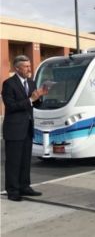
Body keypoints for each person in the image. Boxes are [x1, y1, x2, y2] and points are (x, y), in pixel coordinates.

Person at [2, 55, 48, 201]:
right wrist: (30, 99)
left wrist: (40, 96)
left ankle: (25, 186)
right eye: (26, 66)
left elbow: (36, 105)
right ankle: (13, 191)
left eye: (29, 66)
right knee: (13, 162)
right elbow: (11, 106)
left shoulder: (32, 83)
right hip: (14, 130)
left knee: (25, 161)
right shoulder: (8, 84)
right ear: (17, 68)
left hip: (28, 128)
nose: (29, 69)